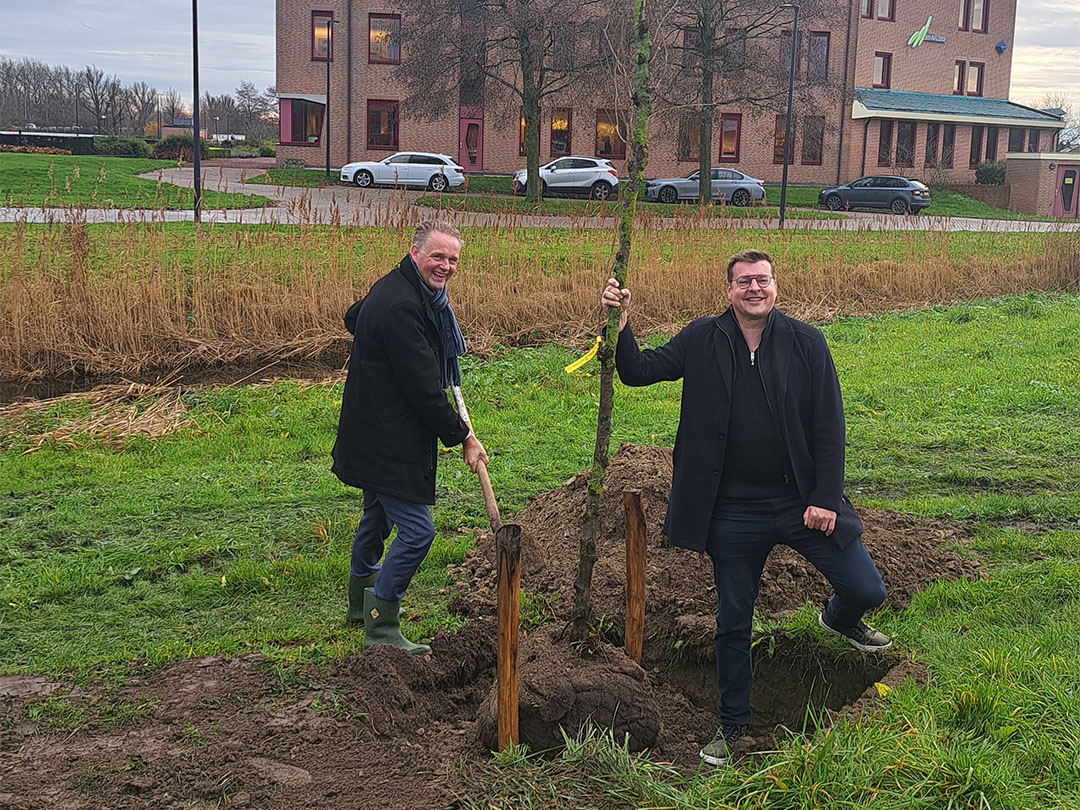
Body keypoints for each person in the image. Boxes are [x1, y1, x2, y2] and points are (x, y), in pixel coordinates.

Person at [601, 249, 890, 766]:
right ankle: (732, 726)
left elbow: (829, 425)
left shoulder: (806, 342)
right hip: (732, 511)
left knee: (867, 588)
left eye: (762, 280)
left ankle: (838, 619)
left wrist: (825, 498)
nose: (754, 289)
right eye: (744, 282)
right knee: (734, 620)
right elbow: (637, 371)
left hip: (799, 501)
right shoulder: (701, 338)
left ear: (775, 286)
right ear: (728, 290)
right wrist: (620, 325)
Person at [333, 221, 488, 655]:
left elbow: (353, 316)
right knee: (418, 532)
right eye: (438, 256)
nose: (446, 266)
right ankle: (381, 624)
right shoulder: (403, 306)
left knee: (377, 517)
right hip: (387, 439)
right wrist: (463, 437)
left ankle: (358, 606)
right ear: (415, 252)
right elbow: (424, 391)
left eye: (453, 259)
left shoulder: (397, 288)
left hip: (370, 429)